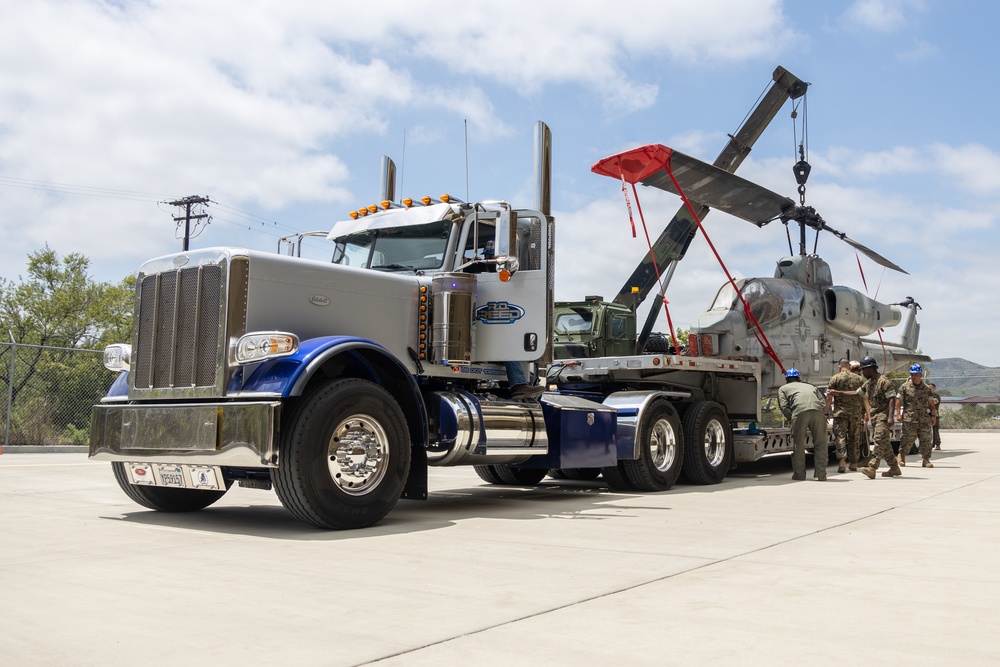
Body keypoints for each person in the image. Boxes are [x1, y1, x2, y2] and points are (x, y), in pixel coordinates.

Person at [778, 368, 829, 481]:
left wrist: (792, 418)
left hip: (799, 412)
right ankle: (821, 474)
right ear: (799, 379)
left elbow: (784, 407)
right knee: (820, 443)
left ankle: (799, 475)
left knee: (799, 444)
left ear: (786, 380)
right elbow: (822, 402)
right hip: (817, 411)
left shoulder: (783, 388)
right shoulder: (811, 386)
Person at [859, 356, 902, 479]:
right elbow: (858, 393)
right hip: (874, 417)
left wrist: (890, 417)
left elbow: (892, 399)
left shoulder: (884, 381)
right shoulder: (869, 383)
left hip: (883, 416)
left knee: (878, 440)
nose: (862, 373)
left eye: (863, 370)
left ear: (870, 369)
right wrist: (837, 392)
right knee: (885, 443)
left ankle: (872, 468)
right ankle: (894, 468)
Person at [826, 358, 865, 473]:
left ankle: (842, 462)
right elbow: (864, 397)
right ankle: (853, 463)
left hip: (840, 414)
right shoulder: (859, 379)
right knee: (855, 438)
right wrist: (865, 412)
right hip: (856, 414)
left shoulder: (835, 379)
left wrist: (826, 412)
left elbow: (829, 398)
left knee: (840, 438)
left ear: (839, 366)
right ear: (849, 366)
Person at [896, 364, 937, 468]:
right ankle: (901, 456)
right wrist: (898, 414)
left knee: (926, 440)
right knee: (906, 439)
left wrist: (933, 416)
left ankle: (926, 460)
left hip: (923, 419)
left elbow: (931, 404)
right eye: (912, 374)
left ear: (921, 375)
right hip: (909, 418)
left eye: (916, 374)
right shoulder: (904, 387)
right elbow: (898, 401)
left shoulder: (927, 389)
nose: (914, 376)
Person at [928, 382, 942, 450]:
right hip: (926, 415)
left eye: (931, 388)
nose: (929, 389)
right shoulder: (925, 395)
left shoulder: (936, 395)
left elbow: (935, 401)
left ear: (934, 389)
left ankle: (937, 444)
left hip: (934, 415)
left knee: (935, 430)